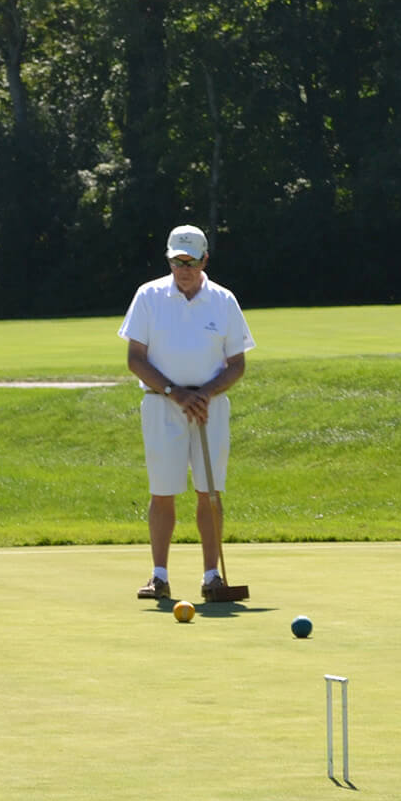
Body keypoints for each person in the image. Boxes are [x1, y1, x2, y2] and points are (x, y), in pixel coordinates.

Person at [119, 224, 255, 602]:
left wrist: (206, 393)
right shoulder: (148, 296)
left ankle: (212, 576)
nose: (183, 269)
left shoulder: (224, 300)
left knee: (209, 492)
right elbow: (135, 359)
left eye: (190, 261)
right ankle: (159, 576)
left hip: (210, 407)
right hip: (162, 404)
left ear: (204, 259)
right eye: (176, 261)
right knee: (163, 491)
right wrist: (175, 392)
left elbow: (237, 364)